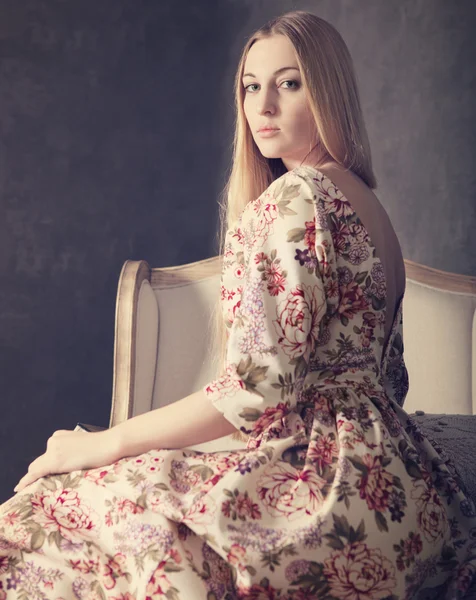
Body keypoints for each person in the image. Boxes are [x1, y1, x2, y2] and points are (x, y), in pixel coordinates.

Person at [1, 9, 475, 600]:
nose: (264, 107)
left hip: (327, 491)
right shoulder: (368, 205)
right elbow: (388, 382)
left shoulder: (295, 198)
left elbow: (254, 392)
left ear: (328, 91)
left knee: (42, 513)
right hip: (402, 491)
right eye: (252, 87)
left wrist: (106, 441)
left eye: (289, 83)